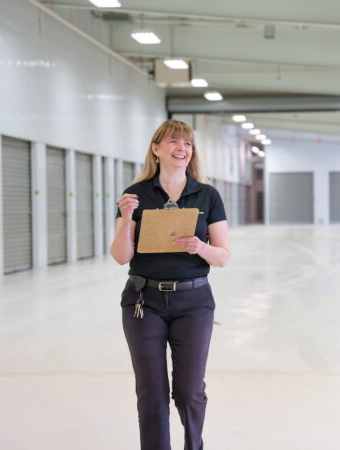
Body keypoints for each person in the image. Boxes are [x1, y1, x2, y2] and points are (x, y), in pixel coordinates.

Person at [110, 119, 230, 450]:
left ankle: (195, 445)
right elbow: (121, 256)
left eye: (187, 144)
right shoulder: (134, 195)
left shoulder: (207, 195)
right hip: (142, 301)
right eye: (174, 142)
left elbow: (222, 256)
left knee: (190, 391)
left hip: (194, 302)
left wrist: (200, 247)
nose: (182, 149)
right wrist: (126, 221)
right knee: (151, 391)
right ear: (156, 149)